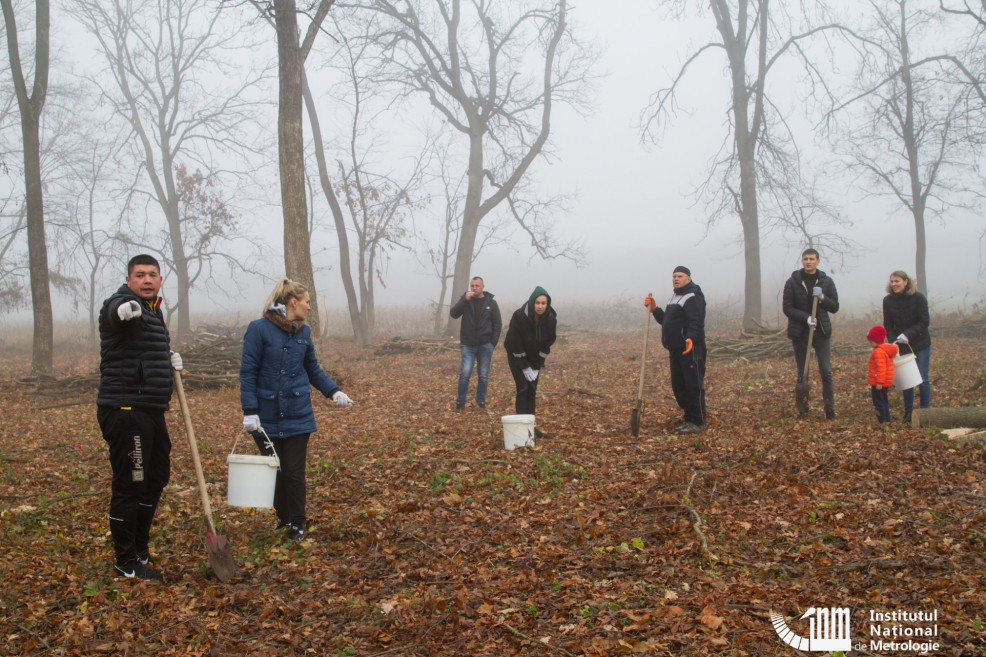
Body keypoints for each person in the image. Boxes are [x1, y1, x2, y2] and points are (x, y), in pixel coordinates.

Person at [239, 278, 353, 542]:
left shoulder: (304, 331)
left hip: (298, 413)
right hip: (265, 416)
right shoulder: (258, 329)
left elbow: (311, 368)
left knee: (293, 471)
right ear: (293, 302)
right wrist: (250, 411)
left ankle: (298, 523)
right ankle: (283, 516)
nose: (309, 308)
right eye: (307, 302)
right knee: (274, 470)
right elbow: (248, 373)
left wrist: (333, 391)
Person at [97, 254, 183, 580]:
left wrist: (166, 356)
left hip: (151, 409)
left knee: (157, 476)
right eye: (140, 275)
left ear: (160, 280)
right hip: (125, 410)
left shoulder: (153, 311)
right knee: (131, 484)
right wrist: (123, 310)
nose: (147, 279)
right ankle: (125, 560)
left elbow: (142, 350)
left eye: (152, 274)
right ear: (129, 280)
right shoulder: (125, 304)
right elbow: (116, 315)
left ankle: (140, 548)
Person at [645, 266, 707, 434]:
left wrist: (691, 339)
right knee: (679, 386)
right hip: (675, 349)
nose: (676, 279)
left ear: (689, 278)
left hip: (690, 349)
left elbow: (695, 321)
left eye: (680, 276)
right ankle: (689, 417)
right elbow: (667, 321)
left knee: (693, 385)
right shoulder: (674, 297)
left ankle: (698, 421)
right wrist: (655, 309)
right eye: (674, 276)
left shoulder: (693, 297)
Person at [783, 248, 840, 419]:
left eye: (812, 259)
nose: (808, 261)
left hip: (821, 332)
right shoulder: (793, 282)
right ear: (802, 261)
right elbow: (787, 308)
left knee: (825, 370)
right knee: (802, 371)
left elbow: (835, 307)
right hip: (800, 332)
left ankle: (829, 408)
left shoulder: (826, 282)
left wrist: (823, 297)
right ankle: (803, 407)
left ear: (818, 261)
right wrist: (806, 318)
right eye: (805, 258)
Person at [503, 286, 558, 438]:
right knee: (522, 388)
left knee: (532, 389)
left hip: (534, 356)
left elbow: (547, 343)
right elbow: (514, 343)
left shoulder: (551, 319)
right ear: (532, 302)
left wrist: (536, 366)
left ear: (547, 304)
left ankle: (531, 428)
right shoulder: (520, 316)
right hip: (516, 354)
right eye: (538, 303)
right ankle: (522, 430)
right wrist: (525, 367)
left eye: (544, 303)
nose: (540, 306)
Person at [882, 270, 931, 423]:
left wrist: (908, 335)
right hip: (900, 345)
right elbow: (888, 325)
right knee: (907, 379)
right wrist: (892, 342)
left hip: (920, 343)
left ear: (906, 282)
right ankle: (908, 412)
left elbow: (924, 322)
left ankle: (925, 412)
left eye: (897, 281)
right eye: (892, 281)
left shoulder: (919, 298)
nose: (894, 284)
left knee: (922, 378)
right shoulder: (888, 301)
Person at [449, 276, 502, 411]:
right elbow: (453, 314)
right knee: (465, 373)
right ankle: (460, 402)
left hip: (485, 344)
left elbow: (497, 323)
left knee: (483, 375)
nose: (474, 288)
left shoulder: (491, 303)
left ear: (483, 286)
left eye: (477, 286)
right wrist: (464, 300)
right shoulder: (466, 300)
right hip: (468, 344)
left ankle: (481, 401)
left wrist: (493, 343)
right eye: (472, 286)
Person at [866, 326, 898, 424]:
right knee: (884, 401)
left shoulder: (878, 352)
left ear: (876, 341)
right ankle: (886, 417)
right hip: (885, 382)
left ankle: (882, 419)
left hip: (879, 383)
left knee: (878, 402)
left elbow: (881, 369)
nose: (871, 344)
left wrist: (879, 382)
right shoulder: (885, 350)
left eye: (871, 342)